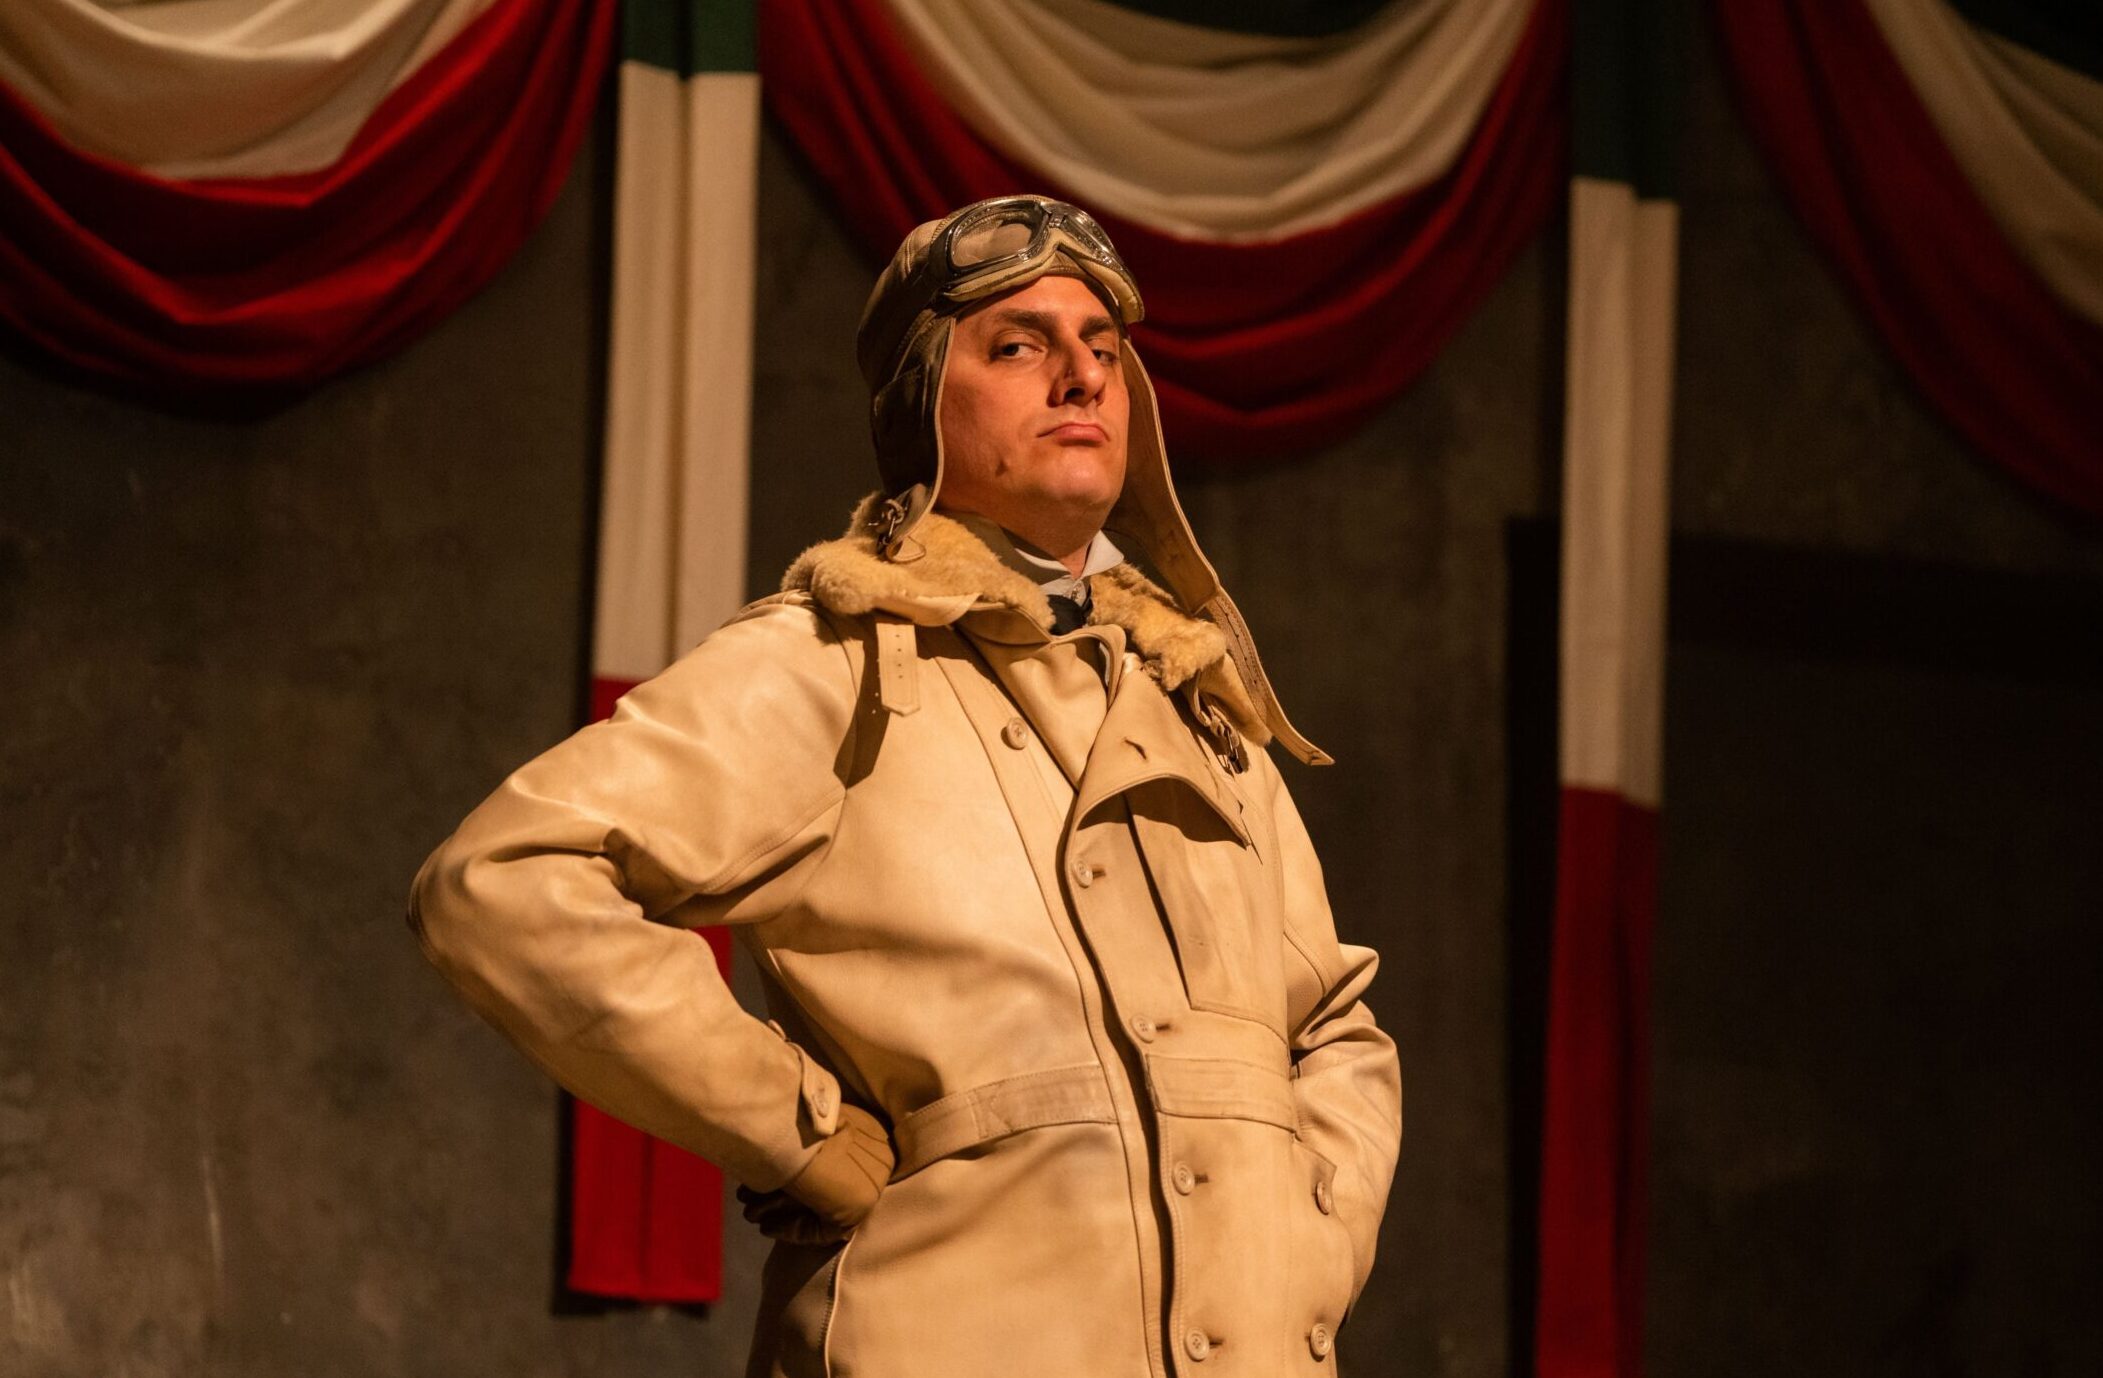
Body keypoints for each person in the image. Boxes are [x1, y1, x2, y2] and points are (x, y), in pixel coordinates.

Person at [409, 195, 1402, 1377]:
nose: (1082, 375)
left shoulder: (1200, 705)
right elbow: (503, 880)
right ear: (921, 399)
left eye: (1103, 346)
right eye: (1019, 345)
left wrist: (1313, 1235)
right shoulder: (835, 665)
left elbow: (1333, 1028)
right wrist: (800, 1130)